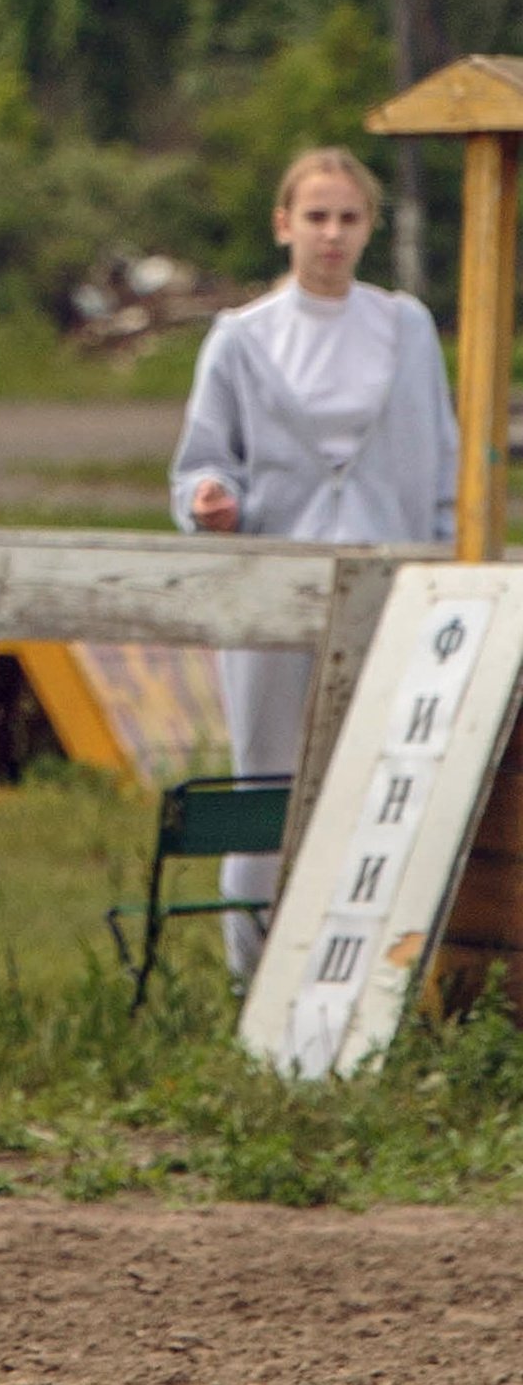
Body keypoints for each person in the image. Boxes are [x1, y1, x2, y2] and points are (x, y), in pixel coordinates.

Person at [172, 145, 457, 979]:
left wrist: (448, 566)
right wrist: (208, 500)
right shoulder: (240, 338)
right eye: (316, 217)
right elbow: (198, 463)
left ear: (369, 227)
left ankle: (369, 970)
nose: (332, 234)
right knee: (267, 780)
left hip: (392, 581)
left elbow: (440, 459)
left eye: (349, 218)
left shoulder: (405, 326)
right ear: (284, 225)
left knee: (383, 770)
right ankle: (253, 977)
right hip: (270, 584)